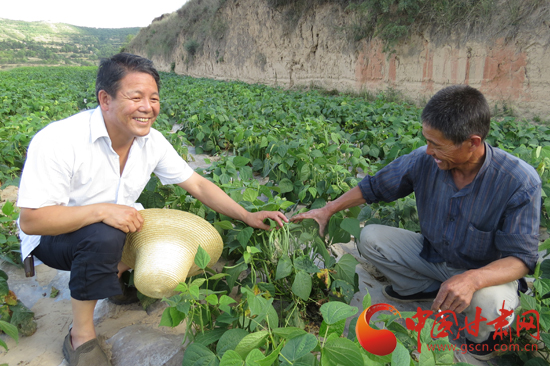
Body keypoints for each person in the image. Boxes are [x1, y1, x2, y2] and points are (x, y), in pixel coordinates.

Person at [17, 53, 288, 366]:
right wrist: (102, 210)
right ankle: (80, 335)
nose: (148, 107)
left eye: (154, 98)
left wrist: (246, 215)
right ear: (105, 99)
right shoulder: (60, 140)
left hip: (113, 228)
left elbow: (197, 185)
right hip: (55, 237)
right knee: (104, 233)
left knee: (143, 226)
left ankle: (113, 278)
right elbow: (32, 221)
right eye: (136, 97)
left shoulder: (151, 142)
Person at [291, 85, 541, 360]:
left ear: (473, 142)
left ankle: (482, 340)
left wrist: (472, 279)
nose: (429, 150)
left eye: (438, 145)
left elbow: (521, 258)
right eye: (427, 140)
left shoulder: (518, 181)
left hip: (485, 274)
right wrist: (328, 210)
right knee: (370, 238)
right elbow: (375, 186)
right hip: (434, 255)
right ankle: (424, 289)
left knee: (491, 303)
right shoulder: (426, 160)